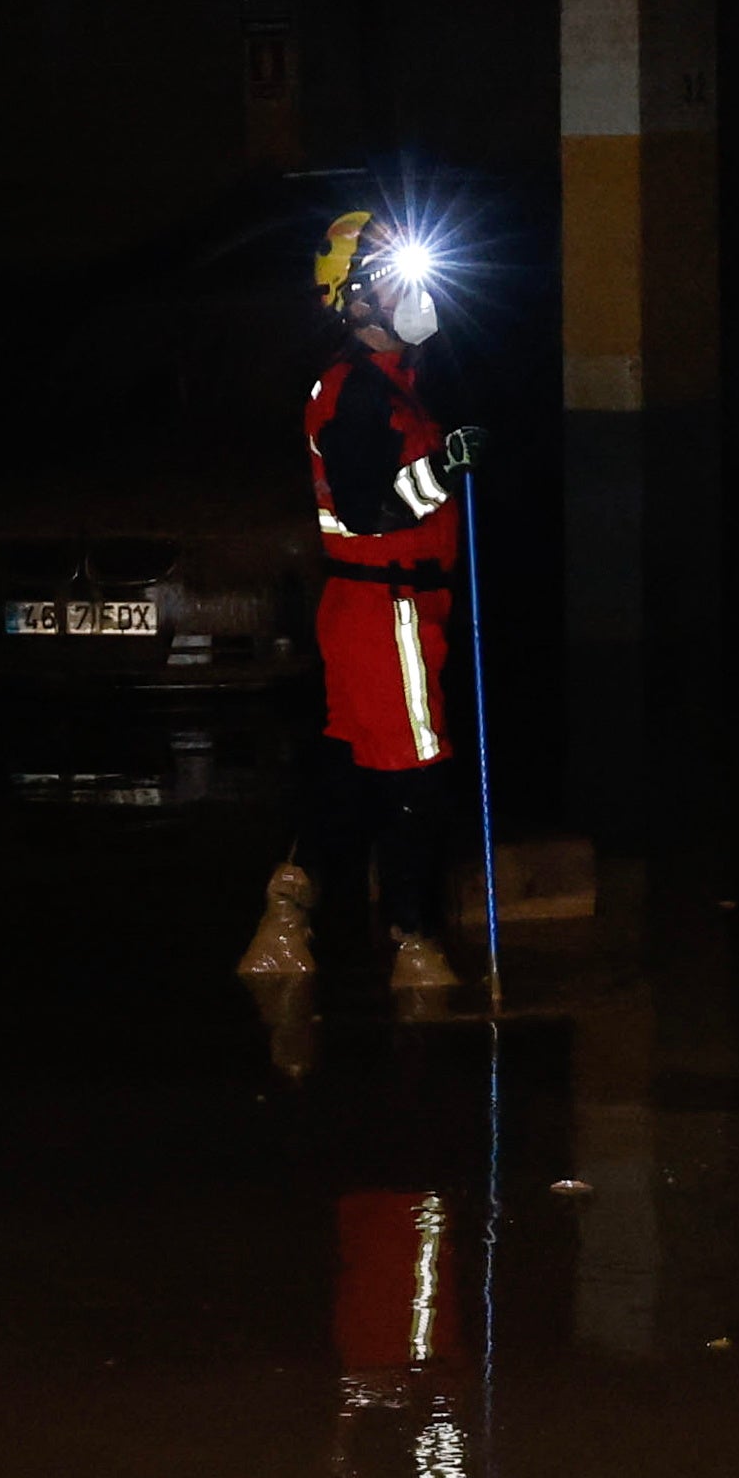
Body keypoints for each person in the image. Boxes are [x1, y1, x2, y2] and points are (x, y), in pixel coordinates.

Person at [245, 203, 475, 1027]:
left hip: (382, 609)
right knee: (414, 773)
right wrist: (444, 471)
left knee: (349, 772)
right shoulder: (354, 395)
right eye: (387, 277)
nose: (406, 292)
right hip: (387, 612)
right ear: (353, 298)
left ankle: (285, 917)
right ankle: (413, 944)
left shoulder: (391, 383)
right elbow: (368, 507)